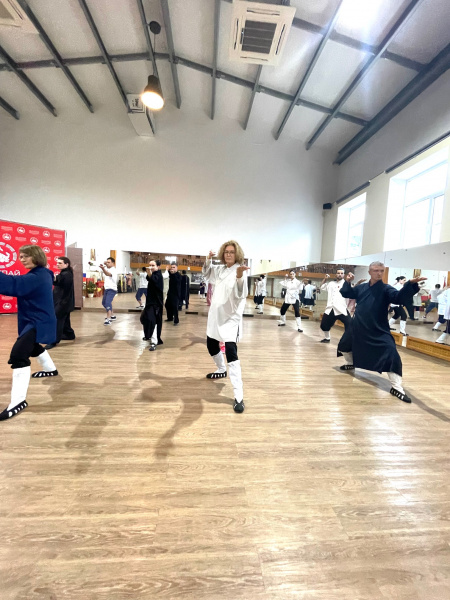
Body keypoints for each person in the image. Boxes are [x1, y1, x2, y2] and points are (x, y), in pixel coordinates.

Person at [337, 261, 426, 404]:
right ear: (370, 272)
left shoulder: (386, 289)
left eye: (381, 271)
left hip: (378, 328)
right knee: (344, 345)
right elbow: (346, 293)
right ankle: (350, 363)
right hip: (358, 325)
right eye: (375, 270)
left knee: (391, 352)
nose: (379, 273)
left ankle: (397, 387)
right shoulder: (361, 287)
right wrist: (347, 282)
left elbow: (398, 297)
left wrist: (410, 284)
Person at [0, 245, 58, 421]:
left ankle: (18, 401)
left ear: (36, 256)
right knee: (32, 346)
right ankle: (50, 369)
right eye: (21, 256)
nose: (22, 259)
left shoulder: (38, 276)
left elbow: (14, 285)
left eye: (26, 256)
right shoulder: (42, 273)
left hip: (38, 321)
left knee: (19, 355)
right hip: (35, 319)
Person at [202, 241, 249, 413]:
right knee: (211, 345)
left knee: (231, 352)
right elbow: (206, 274)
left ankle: (239, 396)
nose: (228, 254)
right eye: (226, 252)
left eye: (232, 252)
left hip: (230, 319)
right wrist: (208, 259)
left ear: (237, 254)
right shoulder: (220, 269)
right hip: (216, 316)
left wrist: (239, 276)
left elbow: (241, 294)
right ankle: (222, 369)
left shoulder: (240, 271)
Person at [45, 256, 75, 349]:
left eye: (60, 263)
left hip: (63, 303)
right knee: (65, 320)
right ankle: (69, 334)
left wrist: (47, 271)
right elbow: (58, 281)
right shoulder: (66, 273)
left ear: (66, 264)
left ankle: (53, 341)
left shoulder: (66, 274)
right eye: (57, 263)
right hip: (64, 302)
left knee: (57, 320)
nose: (57, 264)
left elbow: (57, 280)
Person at [319, 269, 351, 343]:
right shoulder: (331, 283)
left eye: (342, 273)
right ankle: (327, 338)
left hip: (341, 309)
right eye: (338, 273)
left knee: (350, 324)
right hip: (331, 308)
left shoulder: (346, 284)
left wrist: (350, 280)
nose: (340, 274)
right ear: (336, 274)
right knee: (323, 325)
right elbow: (322, 286)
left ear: (344, 275)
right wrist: (325, 279)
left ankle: (348, 341)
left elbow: (350, 288)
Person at [141, 259, 164, 350]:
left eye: (153, 265)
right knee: (144, 318)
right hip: (150, 302)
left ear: (158, 267)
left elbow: (154, 280)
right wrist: (149, 272)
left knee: (153, 321)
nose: (150, 267)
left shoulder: (158, 275)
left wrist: (149, 272)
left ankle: (154, 342)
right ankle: (148, 336)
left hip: (156, 304)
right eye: (149, 265)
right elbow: (149, 278)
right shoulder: (153, 274)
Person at [99, 257, 117, 326]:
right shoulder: (108, 269)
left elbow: (107, 274)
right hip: (107, 289)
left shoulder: (113, 270)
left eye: (109, 262)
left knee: (107, 303)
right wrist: (105, 264)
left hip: (112, 289)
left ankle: (108, 319)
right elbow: (105, 268)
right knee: (104, 303)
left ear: (113, 263)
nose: (107, 263)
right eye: (107, 262)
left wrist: (103, 268)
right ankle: (112, 315)